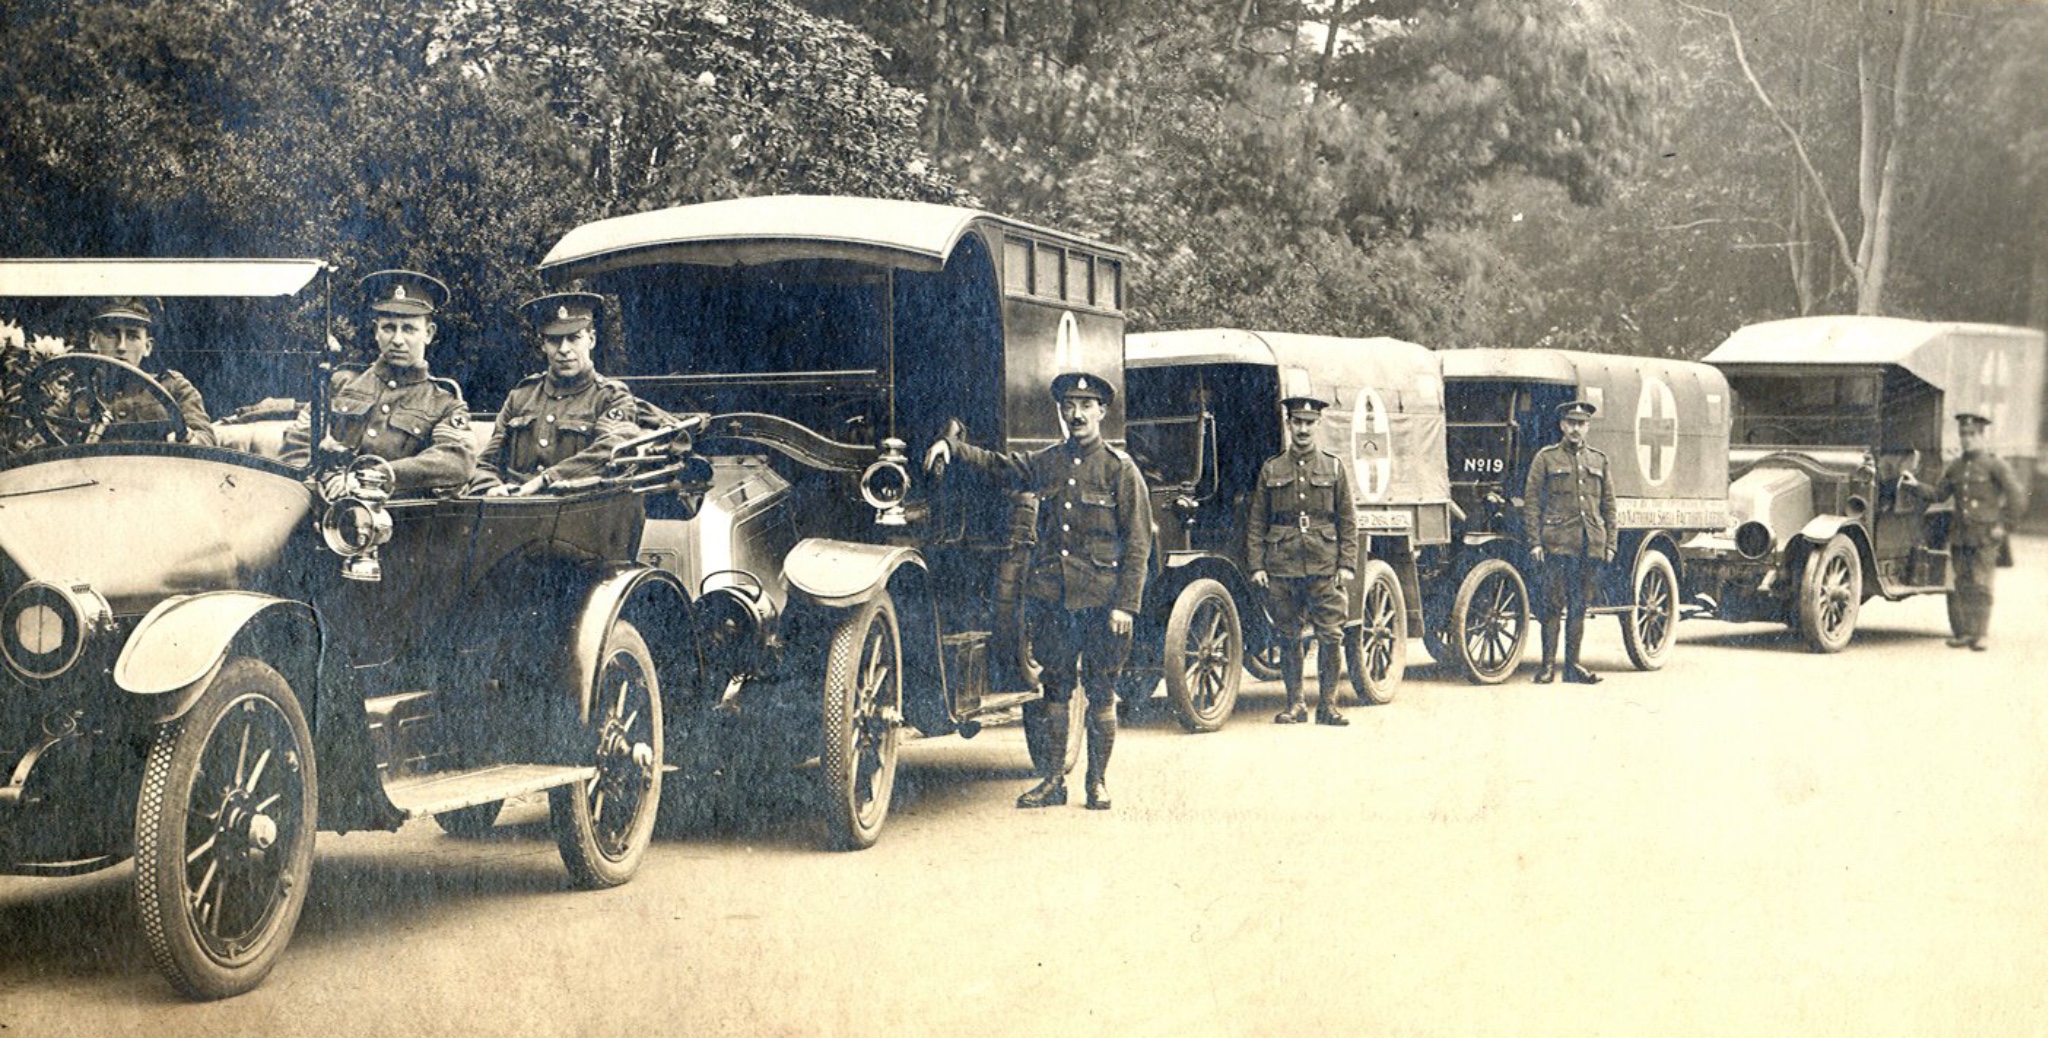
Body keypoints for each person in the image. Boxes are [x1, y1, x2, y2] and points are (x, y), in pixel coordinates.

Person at [926, 371, 1152, 810]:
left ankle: (1097, 782)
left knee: (1102, 693)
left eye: (1086, 406)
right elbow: (1000, 466)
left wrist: (1126, 605)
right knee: (1054, 690)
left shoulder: (1120, 470)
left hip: (1103, 603)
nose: (1077, 414)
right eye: (1069, 405)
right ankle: (1053, 781)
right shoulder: (1046, 462)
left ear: (1102, 412)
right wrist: (952, 447)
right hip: (1054, 599)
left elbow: (1139, 543)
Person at [283, 270, 475, 494]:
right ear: (376, 331)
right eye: (389, 328)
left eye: (409, 329)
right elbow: (297, 445)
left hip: (400, 517)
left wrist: (377, 476)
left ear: (429, 334)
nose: (397, 340)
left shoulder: (445, 404)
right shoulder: (339, 384)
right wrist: (317, 486)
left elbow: (455, 461)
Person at [1245, 392, 1358, 726]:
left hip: (1325, 564)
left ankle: (1328, 705)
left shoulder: (1333, 467)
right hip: (1283, 565)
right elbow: (1256, 521)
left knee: (1331, 635)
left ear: (1318, 425)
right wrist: (1257, 565)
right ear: (1289, 425)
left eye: (1309, 423)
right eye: (1298, 423)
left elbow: (1348, 519)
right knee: (1288, 636)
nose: (1303, 429)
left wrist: (1347, 564)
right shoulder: (1272, 468)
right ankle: (1295, 704)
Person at [471, 292, 638, 496]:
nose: (564, 350)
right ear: (543, 344)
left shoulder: (610, 397)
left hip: (580, 511)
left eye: (574, 338)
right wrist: (491, 487)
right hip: (516, 512)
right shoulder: (522, 396)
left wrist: (548, 479)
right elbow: (487, 462)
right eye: (554, 340)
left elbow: (610, 450)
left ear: (591, 340)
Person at [1522, 399, 1617, 684]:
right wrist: (1534, 542)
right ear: (1562, 426)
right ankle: (1548, 667)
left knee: (1580, 607)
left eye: (1582, 424)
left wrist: (1610, 543)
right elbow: (1531, 503)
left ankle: (1573, 667)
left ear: (1587, 427)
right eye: (1571, 423)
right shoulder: (1546, 458)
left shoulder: (1599, 460)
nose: (1576, 429)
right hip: (1556, 544)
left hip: (1589, 545)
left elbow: (1609, 505)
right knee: (1552, 606)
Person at [1936, 412, 2026, 651]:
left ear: (1981, 436)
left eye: (1972, 434)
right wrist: (1913, 485)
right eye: (1963, 434)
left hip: (1987, 535)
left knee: (1982, 583)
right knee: (1963, 582)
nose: (1967, 439)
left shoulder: (1994, 464)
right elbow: (1939, 495)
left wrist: (2004, 526)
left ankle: (1981, 634)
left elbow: (2017, 497)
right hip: (1961, 534)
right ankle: (1966, 633)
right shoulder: (1956, 466)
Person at [80, 297, 217, 445]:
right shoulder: (77, 395)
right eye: (111, 334)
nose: (121, 347)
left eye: (132, 336)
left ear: (147, 347)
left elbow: (206, 440)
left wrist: (186, 438)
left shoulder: (175, 388)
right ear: (93, 340)